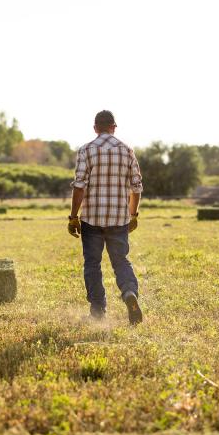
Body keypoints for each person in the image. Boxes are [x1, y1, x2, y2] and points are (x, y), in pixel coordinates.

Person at [68, 110, 144, 324]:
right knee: (121, 261)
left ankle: (98, 310)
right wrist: (133, 215)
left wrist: (73, 217)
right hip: (118, 219)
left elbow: (79, 187)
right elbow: (136, 187)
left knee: (92, 263)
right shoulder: (127, 150)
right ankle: (129, 293)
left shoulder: (86, 150)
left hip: (91, 219)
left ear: (95, 128)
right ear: (114, 127)